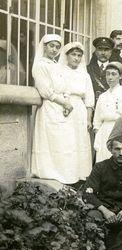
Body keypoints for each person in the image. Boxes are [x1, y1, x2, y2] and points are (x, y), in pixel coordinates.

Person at [32, 39, 95, 184]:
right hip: (63, 106)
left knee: (79, 142)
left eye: (79, 56)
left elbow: (89, 98)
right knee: (65, 142)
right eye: (73, 55)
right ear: (66, 56)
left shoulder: (85, 75)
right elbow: (54, 89)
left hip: (78, 108)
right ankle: (65, 172)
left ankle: (80, 174)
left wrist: (88, 118)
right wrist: (65, 103)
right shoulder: (59, 70)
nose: (76, 58)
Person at [93, 62, 122, 162]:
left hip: (119, 133)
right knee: (103, 161)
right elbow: (97, 120)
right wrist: (98, 135)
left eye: (113, 74)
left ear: (120, 76)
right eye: (108, 74)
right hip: (104, 133)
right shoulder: (103, 96)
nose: (110, 77)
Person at [87, 37, 122, 103]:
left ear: (111, 52)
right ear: (96, 51)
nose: (103, 53)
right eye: (100, 49)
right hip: (91, 105)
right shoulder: (88, 69)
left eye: (106, 50)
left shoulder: (117, 70)